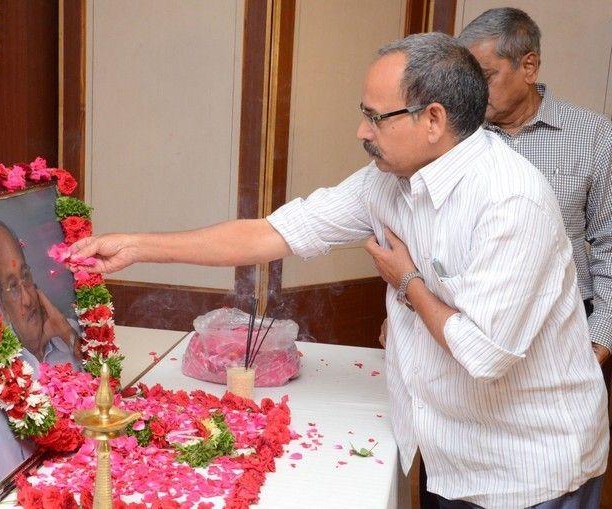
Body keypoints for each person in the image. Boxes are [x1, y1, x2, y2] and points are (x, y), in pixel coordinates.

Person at [71, 33, 609, 507]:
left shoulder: (510, 199)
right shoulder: (387, 179)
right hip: (451, 449)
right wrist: (137, 246)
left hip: (529, 464)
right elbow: (271, 232)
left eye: (376, 116)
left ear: (435, 120)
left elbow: (485, 353)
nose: (361, 130)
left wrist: (407, 282)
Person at [459, 7, 612, 365]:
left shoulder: (592, 136)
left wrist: (601, 335)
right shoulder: (458, 136)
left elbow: (610, 241)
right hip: (473, 325)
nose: (474, 91)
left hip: (565, 329)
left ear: (528, 67)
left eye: (485, 76)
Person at [0, 219, 82, 480]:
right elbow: (9, 475)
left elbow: (109, 395)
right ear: (0, 300)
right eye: (12, 286)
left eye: (25, 277)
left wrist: (68, 336)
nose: (27, 299)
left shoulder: (69, 333)